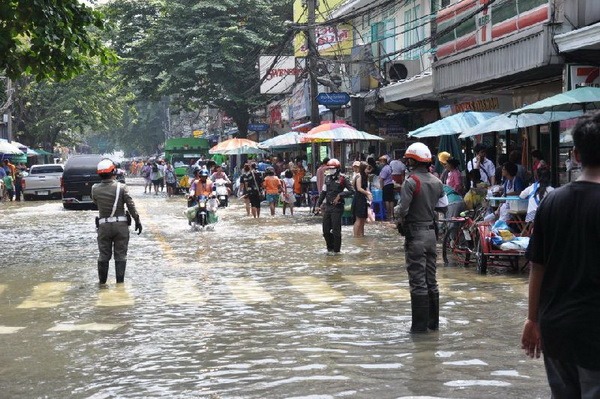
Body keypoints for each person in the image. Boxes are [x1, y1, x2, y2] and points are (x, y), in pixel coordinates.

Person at [521, 112, 600, 397]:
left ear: (576, 154)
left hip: (556, 328)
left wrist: (532, 319)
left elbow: (537, 267)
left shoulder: (552, 200)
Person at [396, 143, 445, 333]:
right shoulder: (437, 182)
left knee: (418, 281)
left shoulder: (411, 182)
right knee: (431, 279)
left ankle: (419, 329)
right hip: (431, 235)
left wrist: (398, 216)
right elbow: (442, 207)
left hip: (415, 235)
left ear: (411, 160)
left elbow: (403, 210)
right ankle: (434, 324)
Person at [91, 160, 142, 285]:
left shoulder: (95, 189)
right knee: (120, 256)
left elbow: (95, 203)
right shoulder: (122, 187)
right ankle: (120, 284)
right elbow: (131, 205)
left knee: (103, 255)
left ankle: (102, 284)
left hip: (103, 226)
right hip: (121, 227)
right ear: (113, 171)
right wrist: (137, 220)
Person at [316, 159, 354, 255]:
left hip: (337, 207)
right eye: (329, 168)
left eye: (333, 168)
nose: (331, 170)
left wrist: (340, 195)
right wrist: (318, 204)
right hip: (328, 207)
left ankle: (337, 251)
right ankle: (330, 249)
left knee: (336, 231)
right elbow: (323, 192)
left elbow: (352, 191)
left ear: (337, 169)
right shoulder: (327, 178)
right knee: (325, 231)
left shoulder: (343, 178)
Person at [352, 162, 372, 238]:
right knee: (358, 219)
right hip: (358, 199)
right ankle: (356, 237)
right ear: (363, 168)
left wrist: (369, 194)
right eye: (367, 168)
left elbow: (366, 187)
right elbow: (359, 188)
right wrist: (367, 193)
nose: (368, 170)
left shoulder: (365, 176)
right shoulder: (359, 176)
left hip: (363, 199)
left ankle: (362, 236)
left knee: (363, 219)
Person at [378, 155, 394, 221]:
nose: (380, 163)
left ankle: (388, 215)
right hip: (391, 184)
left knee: (387, 200)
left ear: (383, 162)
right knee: (391, 200)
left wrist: (381, 188)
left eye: (381, 162)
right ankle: (392, 215)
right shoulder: (389, 167)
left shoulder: (384, 169)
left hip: (386, 185)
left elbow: (382, 179)